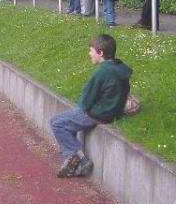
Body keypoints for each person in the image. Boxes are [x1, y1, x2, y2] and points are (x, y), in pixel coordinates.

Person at [50, 34, 131, 178]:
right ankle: (74, 158)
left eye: (91, 51)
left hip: (97, 113)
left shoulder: (102, 73)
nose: (89, 54)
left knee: (57, 123)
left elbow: (85, 101)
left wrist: (83, 103)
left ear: (100, 53)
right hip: (113, 111)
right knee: (63, 121)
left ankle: (78, 158)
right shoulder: (120, 67)